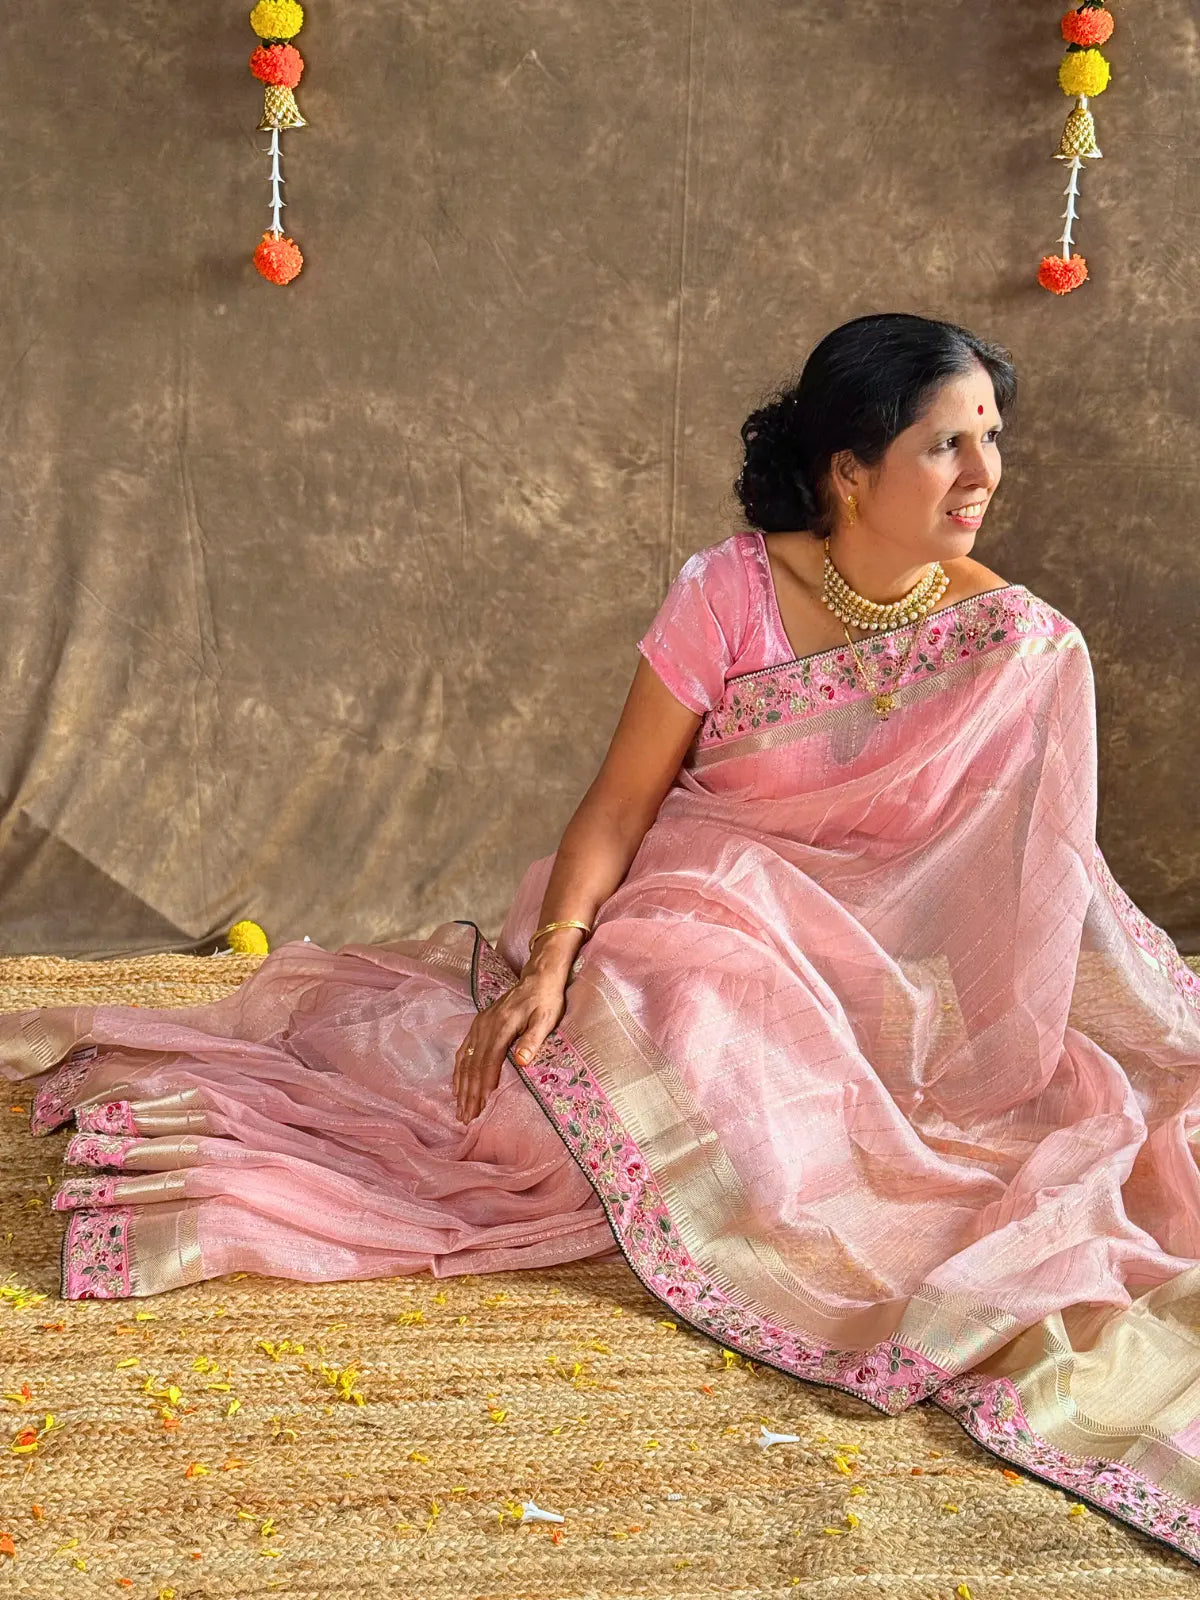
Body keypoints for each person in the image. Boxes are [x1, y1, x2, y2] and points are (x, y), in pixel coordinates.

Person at [3, 311, 1199, 1563]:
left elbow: (1034, 876)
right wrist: (557, 957)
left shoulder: (1011, 640)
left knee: (973, 1110)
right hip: (700, 907)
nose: (985, 472)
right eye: (947, 443)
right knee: (667, 1015)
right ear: (851, 470)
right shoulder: (729, 591)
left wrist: (996, 1032)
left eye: (992, 437)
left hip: (875, 962)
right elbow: (621, 805)